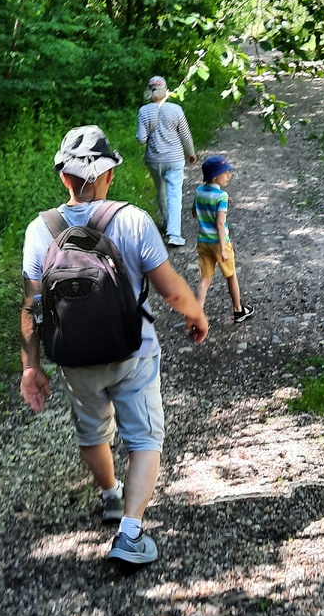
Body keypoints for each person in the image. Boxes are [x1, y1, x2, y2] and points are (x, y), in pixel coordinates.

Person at [20, 125, 208, 566]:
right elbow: (170, 289)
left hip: (74, 359)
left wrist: (31, 365)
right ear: (108, 175)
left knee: (92, 432)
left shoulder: (39, 230)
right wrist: (196, 314)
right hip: (132, 352)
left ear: (63, 177)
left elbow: (31, 305)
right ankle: (130, 533)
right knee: (144, 438)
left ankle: (110, 495)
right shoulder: (133, 220)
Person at [194, 154, 254, 325]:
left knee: (205, 279)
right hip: (220, 243)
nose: (229, 175)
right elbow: (220, 224)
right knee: (231, 276)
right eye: (225, 173)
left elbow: (194, 213)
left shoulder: (199, 191)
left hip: (203, 242)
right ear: (215, 177)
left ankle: (197, 316)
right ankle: (238, 310)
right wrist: (222, 249)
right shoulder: (221, 196)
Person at [136, 75, 196, 247]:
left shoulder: (144, 111)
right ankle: (174, 234)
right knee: (174, 194)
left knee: (161, 191)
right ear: (165, 91)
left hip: (154, 159)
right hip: (174, 158)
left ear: (149, 91)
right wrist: (191, 153)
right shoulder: (175, 109)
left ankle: (167, 221)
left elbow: (141, 138)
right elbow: (185, 135)